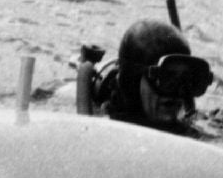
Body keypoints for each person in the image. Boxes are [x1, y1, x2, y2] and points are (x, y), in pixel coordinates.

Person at [76, 16, 212, 136]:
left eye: (187, 80)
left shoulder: (194, 124)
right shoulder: (103, 127)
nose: (178, 92)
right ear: (133, 83)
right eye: (167, 78)